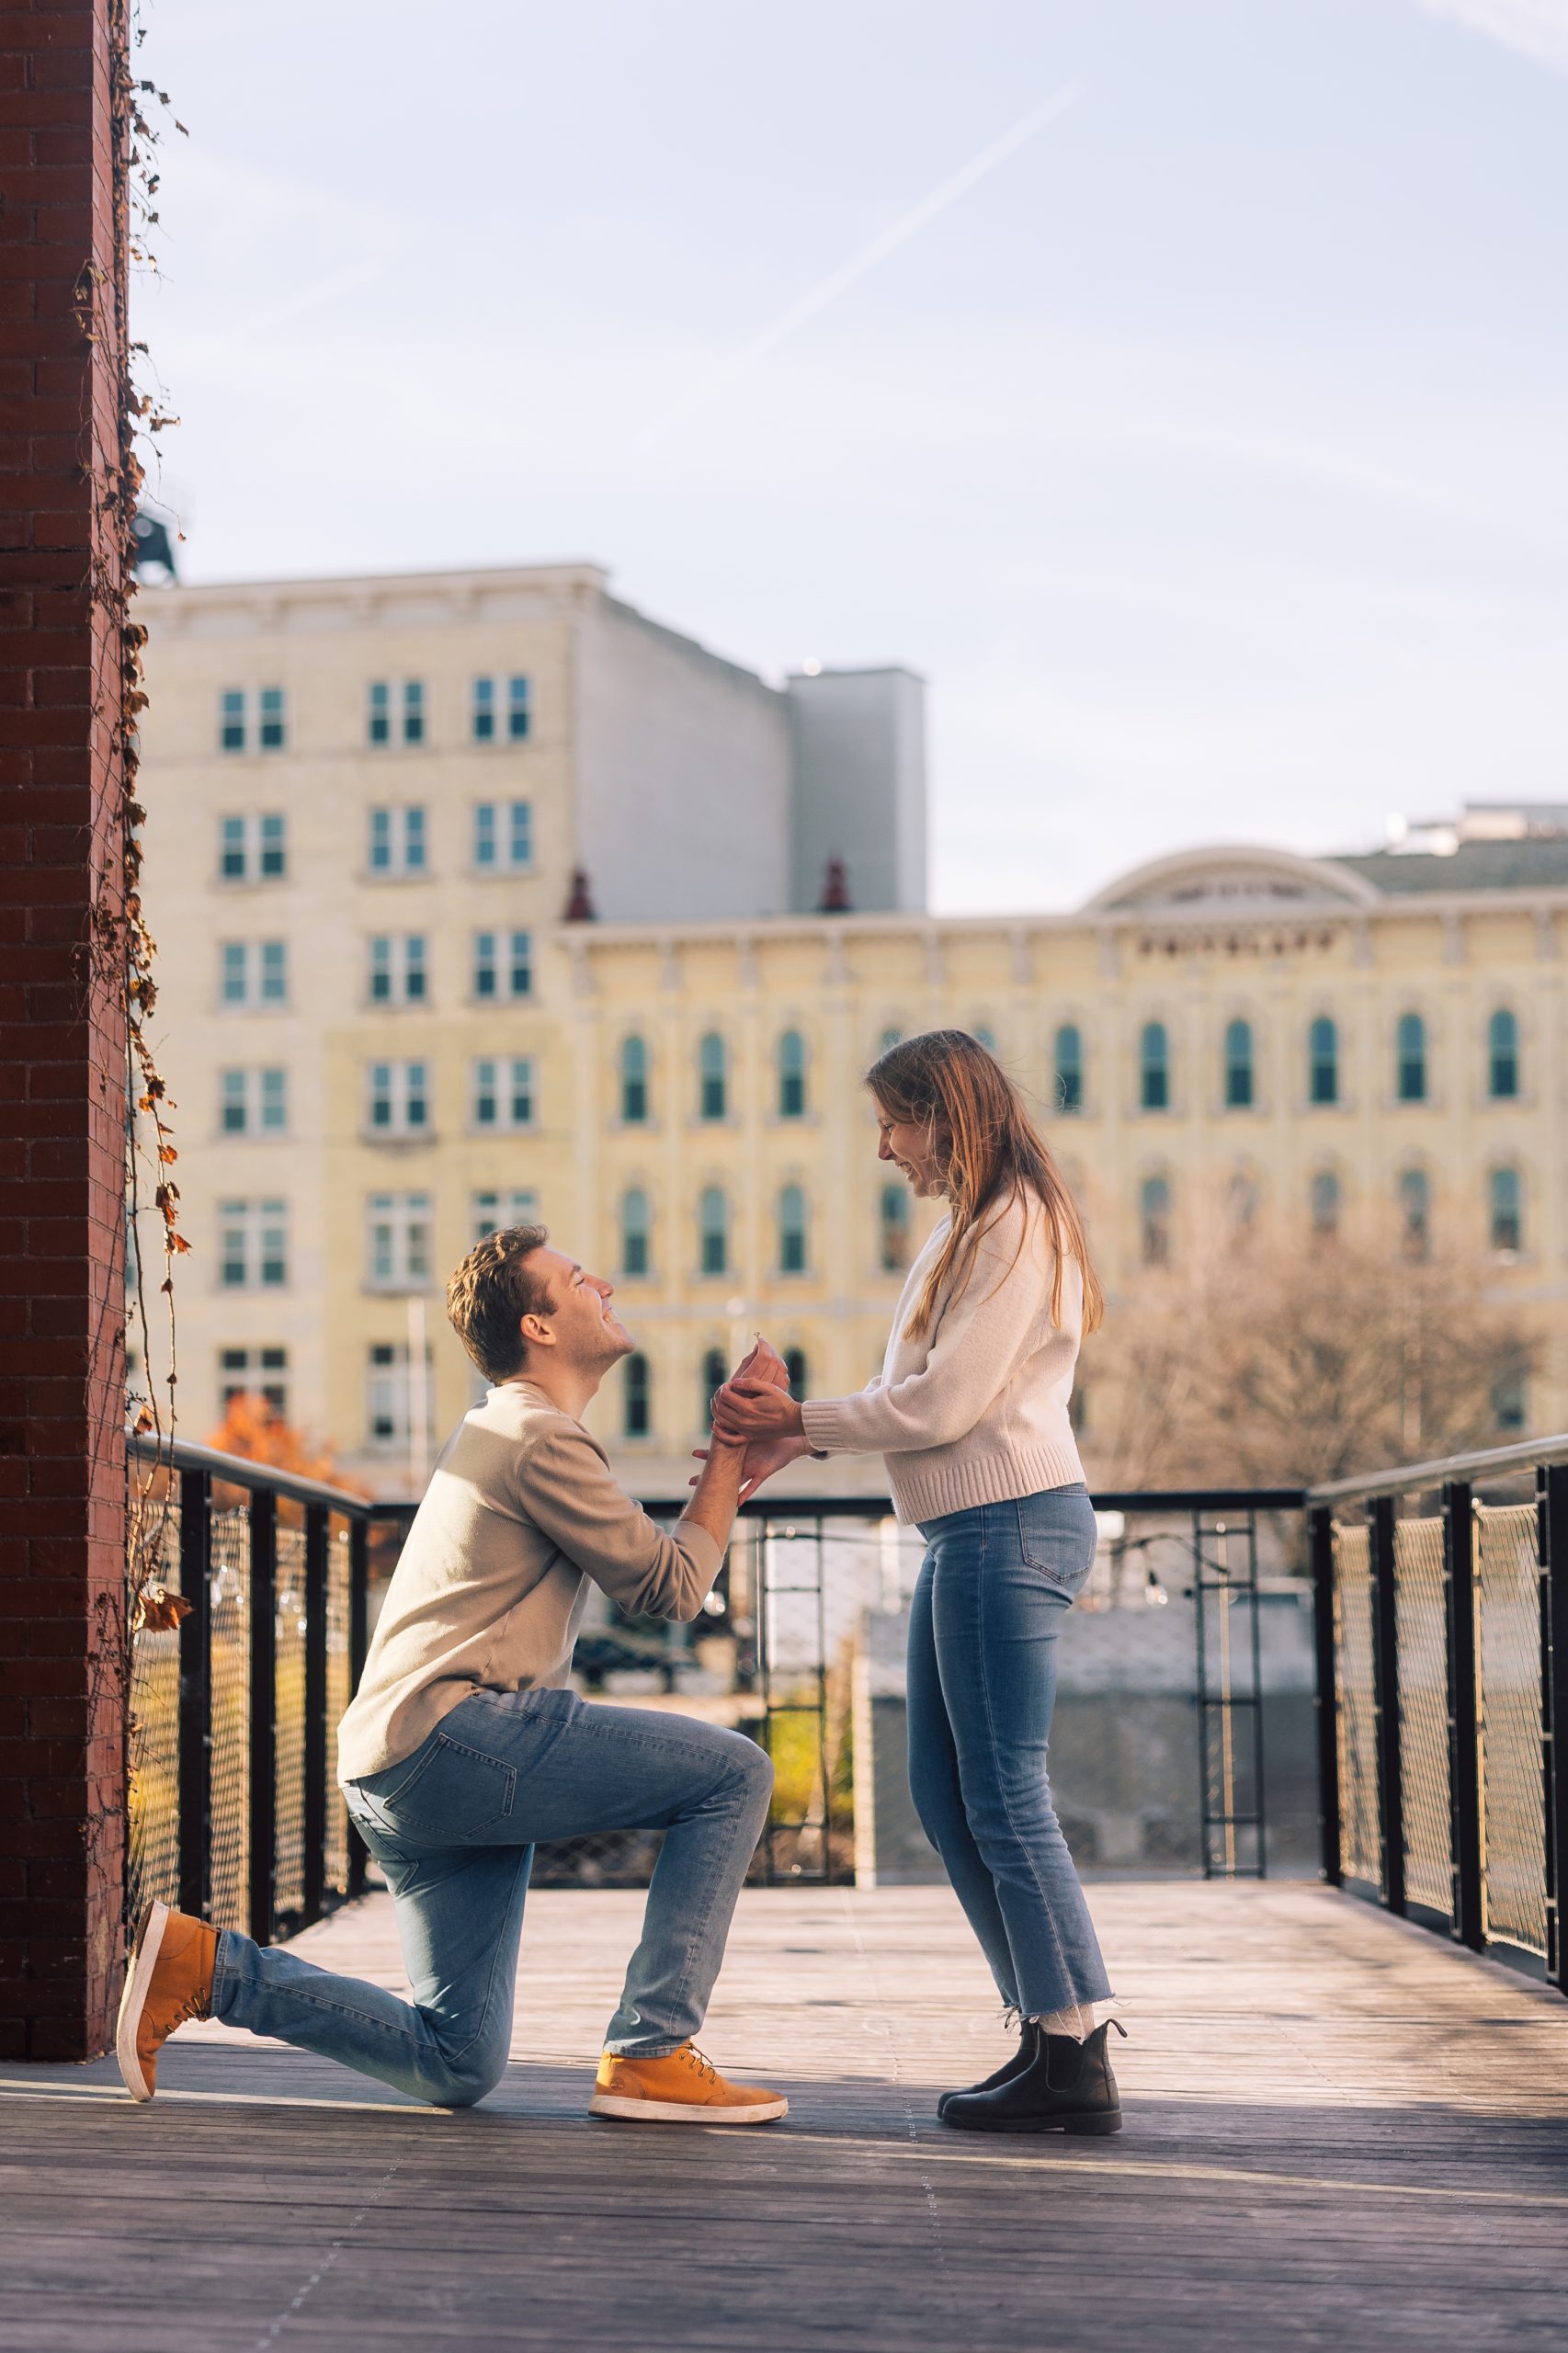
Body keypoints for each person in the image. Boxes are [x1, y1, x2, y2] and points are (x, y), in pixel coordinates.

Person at [117, 1223, 791, 2124]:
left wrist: (730, 1464)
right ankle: (651, 2049)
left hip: (398, 1763)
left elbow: (660, 1568)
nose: (601, 1282)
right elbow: (672, 1586)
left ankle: (205, 1968)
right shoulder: (537, 1435)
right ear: (539, 1328)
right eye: (573, 1278)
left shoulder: (509, 1430)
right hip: (454, 1740)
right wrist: (732, 1452)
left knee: (455, 2059)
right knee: (733, 1772)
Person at [712, 1029, 1122, 2135]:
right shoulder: (970, 1227)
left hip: (1009, 1526)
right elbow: (916, 1393)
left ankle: (1074, 2050)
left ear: (945, 1113)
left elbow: (944, 1407)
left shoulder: (1015, 1224)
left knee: (1001, 1794)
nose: (884, 1147)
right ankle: (1049, 2030)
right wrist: (797, 1441)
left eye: (893, 1121)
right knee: (948, 1800)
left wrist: (799, 1421)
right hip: (968, 1531)